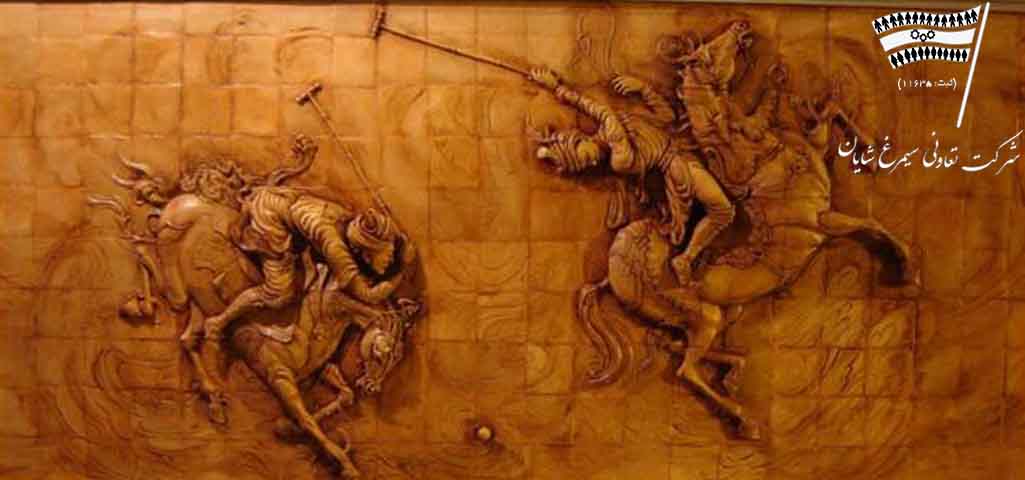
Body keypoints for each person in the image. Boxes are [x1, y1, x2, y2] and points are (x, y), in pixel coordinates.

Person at [529, 67, 734, 285]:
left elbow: (666, 117)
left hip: (682, 142)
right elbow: (604, 114)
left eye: (586, 156)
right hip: (680, 167)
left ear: (581, 138)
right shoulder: (620, 159)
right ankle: (686, 259)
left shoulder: (613, 129)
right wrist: (561, 90)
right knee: (723, 211)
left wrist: (644, 90)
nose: (594, 162)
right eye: (587, 165)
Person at [202, 160, 415, 345]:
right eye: (388, 256)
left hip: (277, 203)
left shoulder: (345, 219)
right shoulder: (333, 243)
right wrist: (401, 270)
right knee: (279, 294)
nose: (389, 262)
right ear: (369, 250)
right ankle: (219, 322)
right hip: (269, 219)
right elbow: (366, 295)